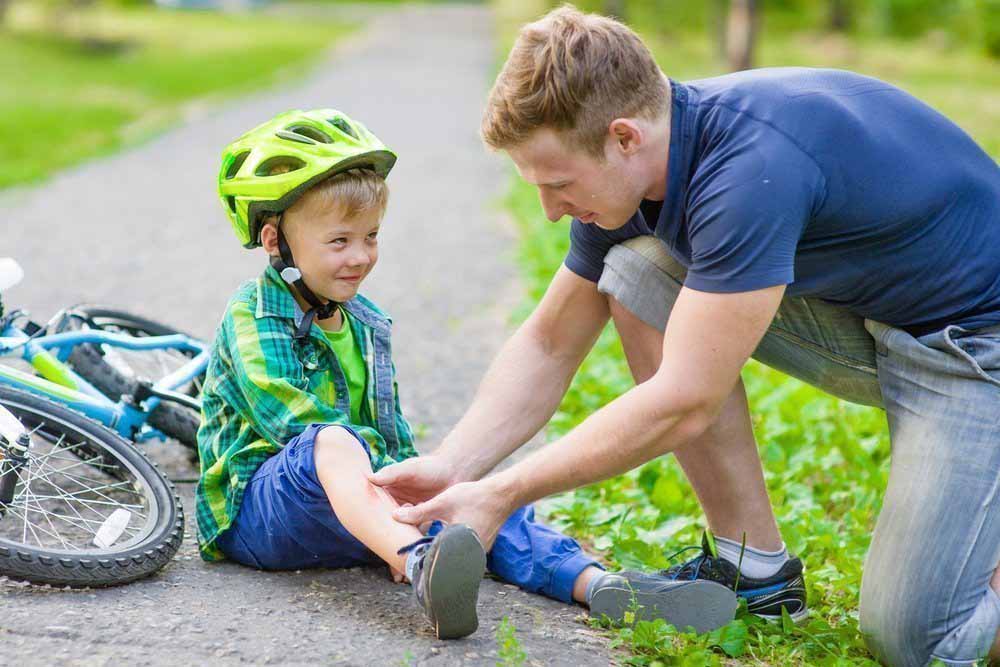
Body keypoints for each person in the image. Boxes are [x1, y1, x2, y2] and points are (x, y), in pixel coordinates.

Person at [368, 7, 1000, 665]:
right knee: (639, 268)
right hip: (882, 321)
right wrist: (455, 466)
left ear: (623, 137)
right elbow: (551, 342)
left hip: (977, 346)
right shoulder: (635, 171)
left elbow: (685, 398)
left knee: (917, 638)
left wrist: (503, 492)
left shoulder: (746, 170)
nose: (551, 211)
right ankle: (751, 566)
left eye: (557, 185)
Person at [195, 108, 737, 640]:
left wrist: (419, 492)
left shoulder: (365, 320)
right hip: (261, 514)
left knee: (471, 499)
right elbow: (290, 418)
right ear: (275, 241)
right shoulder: (254, 312)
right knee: (331, 441)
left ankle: (600, 587)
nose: (360, 257)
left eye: (371, 237)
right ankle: (418, 564)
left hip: (358, 511)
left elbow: (387, 429)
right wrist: (395, 504)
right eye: (339, 241)